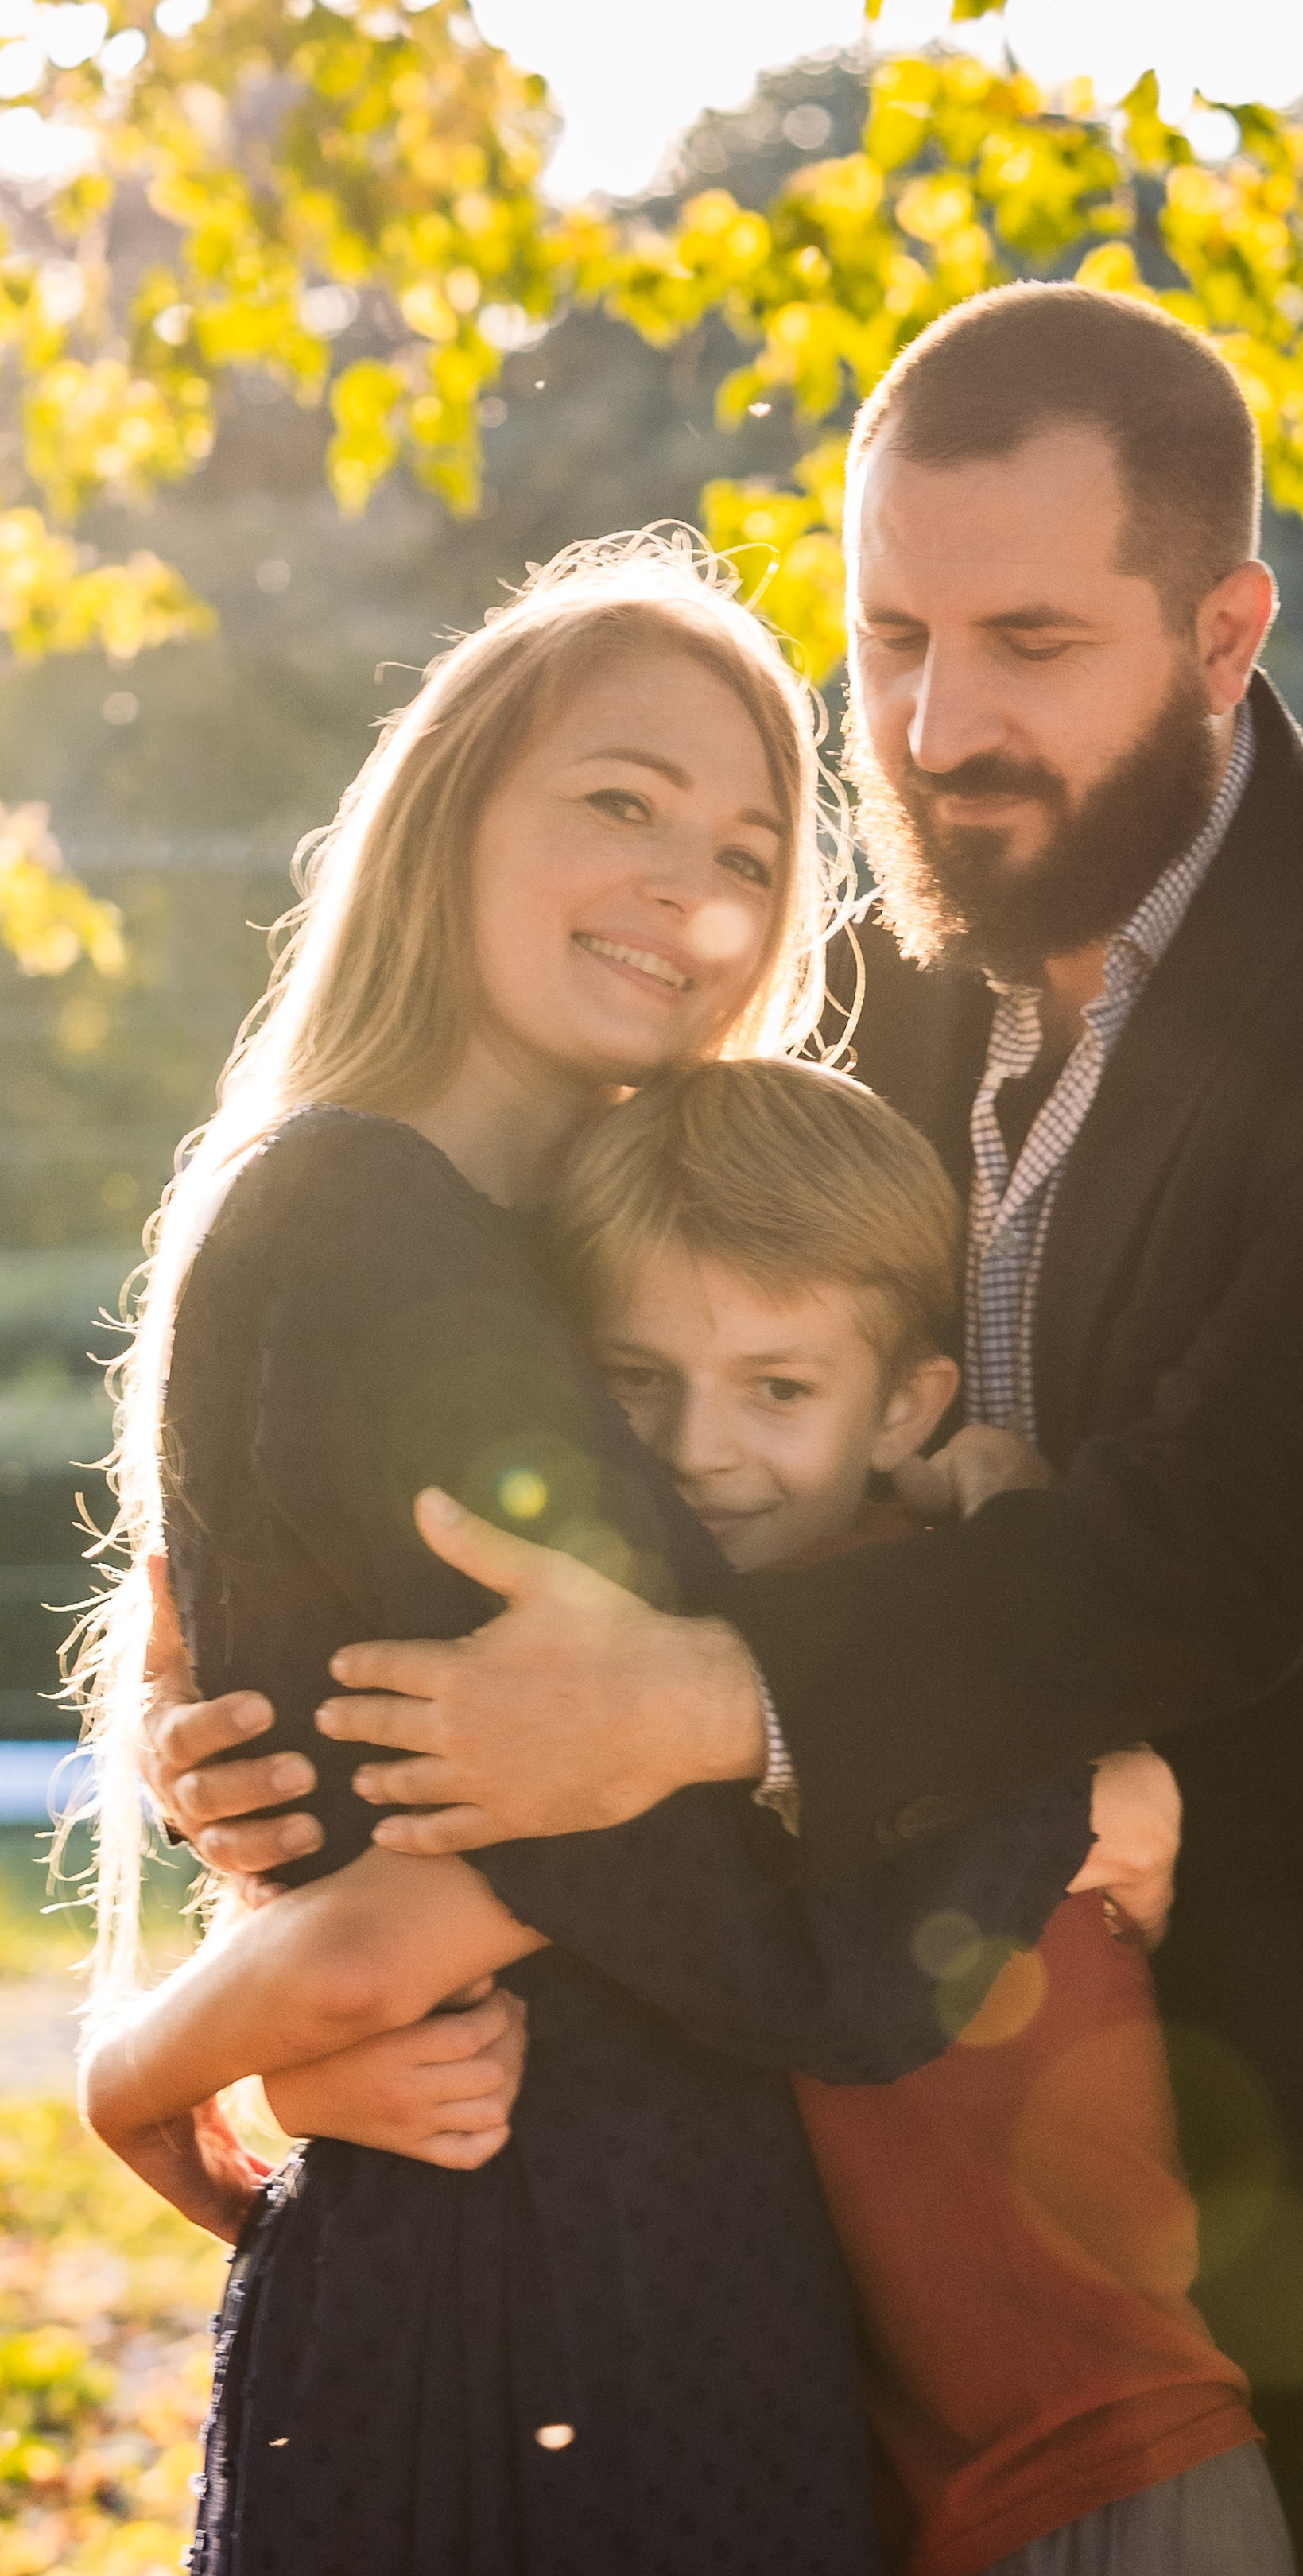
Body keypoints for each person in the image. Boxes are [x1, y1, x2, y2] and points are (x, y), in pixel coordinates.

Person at [141, 289, 1303, 2575]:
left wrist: (697, 1704)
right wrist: (291, 1809)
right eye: (889, 638)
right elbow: (593, 1476)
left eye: (1032, 643)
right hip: (905, 2234)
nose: (939, 723)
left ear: (1221, 627)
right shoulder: (833, 1001)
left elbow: (1223, 1540)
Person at [76, 533, 1103, 2576]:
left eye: (744, 849)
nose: (689, 892)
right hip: (549, 2307)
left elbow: (618, 1779)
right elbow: (755, 1911)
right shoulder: (380, 1232)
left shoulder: (527, 1261)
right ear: (453, 812)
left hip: (609, 2278)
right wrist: (1079, 1771)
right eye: (618, 803)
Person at [551, 1055, 1295, 2576]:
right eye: (636, 1378)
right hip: (912, 2488)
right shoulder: (849, 1615)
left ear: (905, 1407)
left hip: (1097, 2474)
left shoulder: (898, 1668)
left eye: (778, 1388)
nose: (697, 1448)